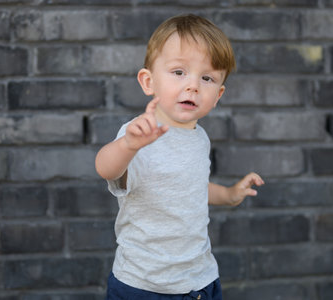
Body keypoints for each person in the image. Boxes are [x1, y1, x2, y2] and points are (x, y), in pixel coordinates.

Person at [95, 14, 265, 300]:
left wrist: (229, 194)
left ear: (218, 94)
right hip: (146, 285)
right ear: (148, 81)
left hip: (200, 278)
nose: (193, 85)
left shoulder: (199, 137)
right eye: (179, 72)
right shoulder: (139, 134)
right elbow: (106, 169)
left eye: (207, 78)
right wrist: (128, 145)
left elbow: (190, 187)